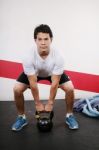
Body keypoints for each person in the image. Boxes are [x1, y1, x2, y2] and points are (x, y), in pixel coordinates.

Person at [11, 24, 79, 131]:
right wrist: (37, 103)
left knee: (70, 88)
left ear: (51, 39)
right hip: (34, 73)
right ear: (35, 40)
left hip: (52, 73)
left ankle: (69, 115)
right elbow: (33, 83)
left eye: (46, 39)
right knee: (17, 89)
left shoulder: (59, 56)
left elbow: (55, 83)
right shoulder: (28, 56)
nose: (43, 42)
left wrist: (50, 103)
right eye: (40, 39)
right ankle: (21, 117)